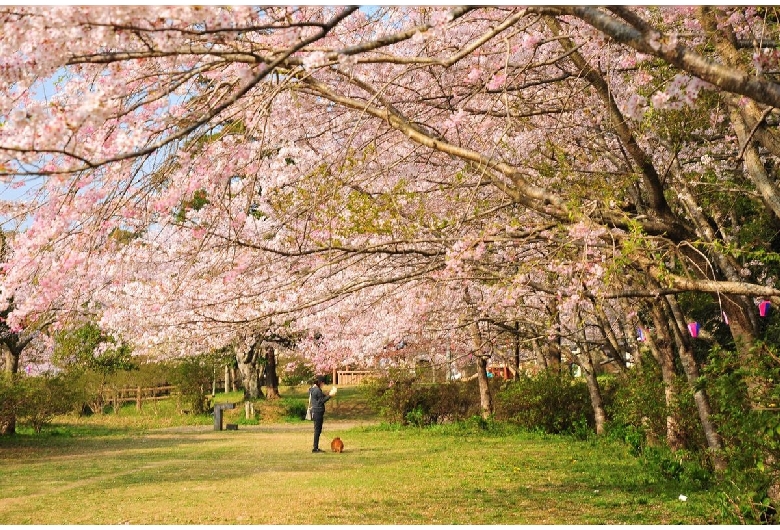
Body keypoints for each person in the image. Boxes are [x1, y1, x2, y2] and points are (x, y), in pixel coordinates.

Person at [309, 375, 336, 453]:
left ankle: (316, 447)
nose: (323, 385)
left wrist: (329, 394)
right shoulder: (317, 390)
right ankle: (315, 448)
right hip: (318, 412)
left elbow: (321, 396)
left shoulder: (313, 389)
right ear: (320, 383)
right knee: (317, 430)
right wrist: (330, 396)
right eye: (323, 383)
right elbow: (321, 401)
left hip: (316, 411)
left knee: (318, 430)